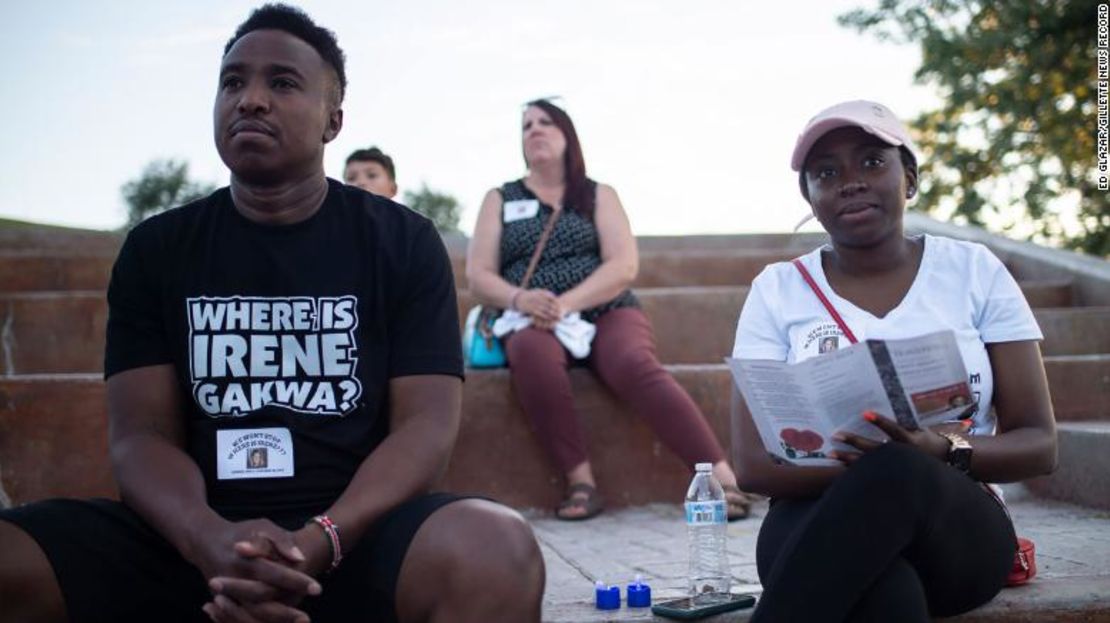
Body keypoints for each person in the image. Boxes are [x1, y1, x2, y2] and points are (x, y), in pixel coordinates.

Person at [0, 5, 544, 623]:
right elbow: (139, 437)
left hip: (355, 542)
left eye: (281, 83)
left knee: (496, 549)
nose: (250, 99)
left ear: (333, 121)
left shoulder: (403, 242)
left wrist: (319, 541)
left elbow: (424, 429)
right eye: (233, 82)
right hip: (187, 545)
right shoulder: (157, 249)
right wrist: (208, 540)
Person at [731, 100, 1057, 622]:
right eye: (826, 172)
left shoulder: (973, 270)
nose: (850, 181)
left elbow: (1040, 445)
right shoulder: (777, 290)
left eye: (872, 161)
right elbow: (752, 465)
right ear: (812, 199)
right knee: (887, 596)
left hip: (954, 524)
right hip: (808, 517)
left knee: (900, 470)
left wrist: (938, 451)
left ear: (909, 179)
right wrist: (870, 466)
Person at [466, 98, 753, 521]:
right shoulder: (500, 197)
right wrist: (521, 299)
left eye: (546, 122)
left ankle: (722, 479)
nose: (535, 130)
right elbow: (478, 273)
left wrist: (565, 304)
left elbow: (623, 265)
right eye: (526, 126)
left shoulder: (597, 194)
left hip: (603, 307)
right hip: (531, 317)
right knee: (530, 355)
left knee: (633, 363)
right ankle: (581, 482)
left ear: (568, 135)